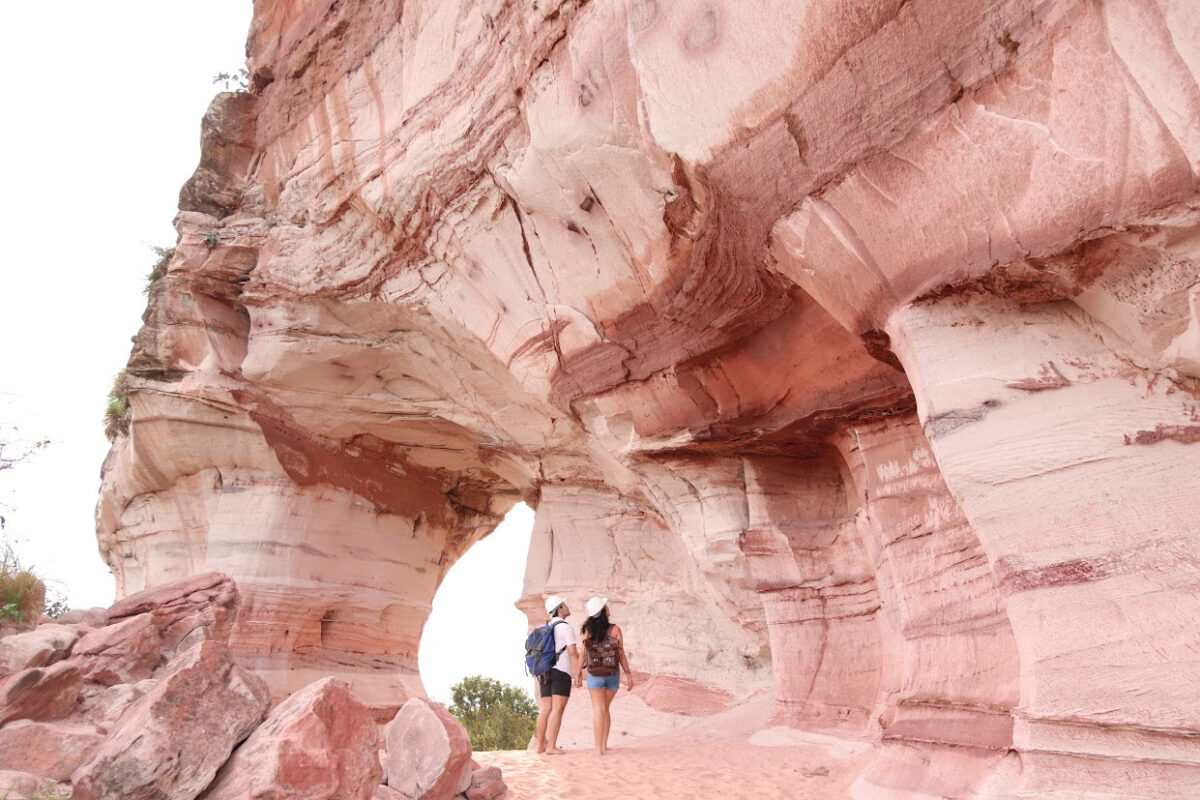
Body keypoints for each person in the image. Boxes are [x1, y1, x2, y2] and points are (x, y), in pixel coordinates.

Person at [573, 596, 633, 756]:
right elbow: (620, 653)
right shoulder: (615, 629)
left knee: (598, 709)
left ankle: (598, 749)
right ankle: (604, 745)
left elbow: (582, 654)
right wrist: (628, 673)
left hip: (594, 675)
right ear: (604, 610)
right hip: (612, 674)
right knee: (605, 708)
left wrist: (578, 672)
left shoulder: (587, 630)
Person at [532, 594, 579, 755]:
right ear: (559, 609)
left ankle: (540, 746)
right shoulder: (566, 628)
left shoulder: (545, 628)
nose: (567, 607)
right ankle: (551, 747)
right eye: (564, 604)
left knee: (545, 709)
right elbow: (573, 653)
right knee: (557, 709)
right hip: (561, 672)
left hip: (544, 672)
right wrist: (578, 672)